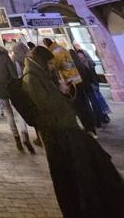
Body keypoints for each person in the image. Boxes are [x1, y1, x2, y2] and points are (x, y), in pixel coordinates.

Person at [22, 45, 124, 217]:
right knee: (71, 176)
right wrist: (60, 91)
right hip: (58, 134)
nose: (52, 66)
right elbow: (46, 106)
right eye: (49, 63)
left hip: (67, 129)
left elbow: (55, 102)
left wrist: (64, 92)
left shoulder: (43, 76)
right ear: (41, 62)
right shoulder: (31, 79)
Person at [0, 39, 32, 152]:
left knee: (9, 114)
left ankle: (17, 139)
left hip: (1, 90)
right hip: (12, 87)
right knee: (19, 111)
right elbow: (13, 73)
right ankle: (24, 134)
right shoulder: (4, 55)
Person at [43, 38, 96, 134]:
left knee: (78, 107)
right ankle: (92, 127)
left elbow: (55, 69)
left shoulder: (54, 54)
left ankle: (88, 129)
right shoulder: (61, 48)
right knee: (84, 105)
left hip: (71, 83)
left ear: (46, 45)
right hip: (78, 79)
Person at [71, 42, 110, 126]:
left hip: (88, 85)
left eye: (83, 58)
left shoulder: (78, 65)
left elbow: (91, 70)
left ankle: (101, 118)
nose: (82, 59)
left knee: (96, 101)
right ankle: (100, 118)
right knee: (95, 101)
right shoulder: (80, 65)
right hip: (89, 86)